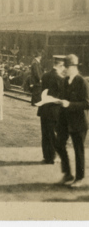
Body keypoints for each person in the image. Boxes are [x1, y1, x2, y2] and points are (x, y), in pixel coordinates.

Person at [56, 54, 89, 187]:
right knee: (58, 144)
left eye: (67, 66)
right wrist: (58, 101)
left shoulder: (82, 82)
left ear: (74, 67)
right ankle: (67, 173)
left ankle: (79, 178)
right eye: (65, 66)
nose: (65, 69)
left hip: (79, 122)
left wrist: (69, 104)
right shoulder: (64, 81)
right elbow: (63, 97)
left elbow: (87, 103)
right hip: (64, 120)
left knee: (78, 150)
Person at [37, 55, 65, 164]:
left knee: (45, 133)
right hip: (55, 110)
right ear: (60, 65)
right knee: (54, 134)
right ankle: (53, 157)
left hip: (44, 109)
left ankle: (47, 156)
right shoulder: (60, 78)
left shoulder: (45, 75)